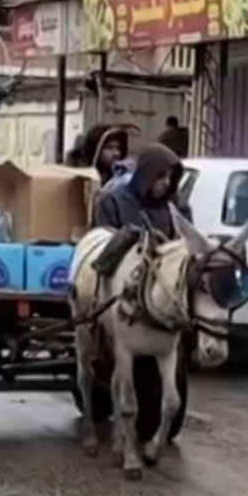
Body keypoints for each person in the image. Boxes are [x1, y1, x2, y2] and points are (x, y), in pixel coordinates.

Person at [93, 142, 190, 445]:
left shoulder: (176, 211)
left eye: (169, 178)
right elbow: (103, 252)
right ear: (146, 175)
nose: (164, 184)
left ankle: (159, 422)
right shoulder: (113, 203)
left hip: (162, 301)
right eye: (160, 176)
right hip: (123, 298)